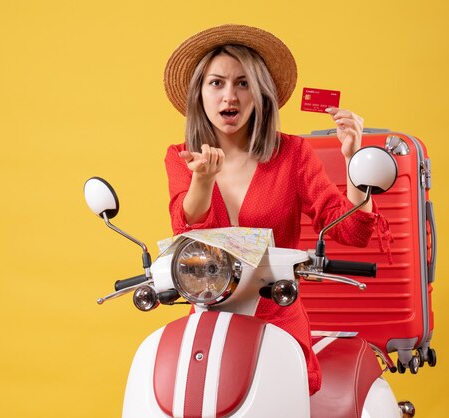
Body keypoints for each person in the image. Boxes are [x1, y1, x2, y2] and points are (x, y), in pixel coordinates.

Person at [163, 24, 390, 395]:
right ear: (199, 94)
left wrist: (354, 163)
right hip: (208, 321)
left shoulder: (294, 155)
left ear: (261, 93)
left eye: (243, 83)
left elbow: (352, 232)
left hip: (277, 318)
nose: (229, 96)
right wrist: (202, 180)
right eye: (216, 83)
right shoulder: (181, 157)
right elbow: (184, 231)